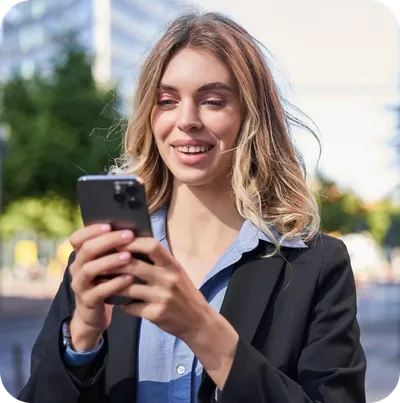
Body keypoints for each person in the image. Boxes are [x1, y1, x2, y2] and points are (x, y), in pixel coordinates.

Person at [17, 11, 366, 403]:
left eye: (213, 101)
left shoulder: (317, 265)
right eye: (167, 101)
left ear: (250, 115)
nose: (186, 120)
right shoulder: (105, 254)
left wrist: (204, 331)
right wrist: (82, 335)